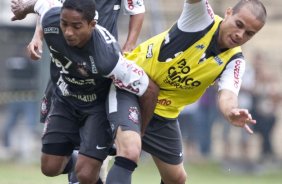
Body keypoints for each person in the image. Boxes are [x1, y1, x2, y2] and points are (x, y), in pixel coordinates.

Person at [10, 1, 158, 184]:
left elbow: (149, 89)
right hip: (65, 99)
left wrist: (140, 132)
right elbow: (40, 4)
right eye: (64, 24)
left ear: (92, 25)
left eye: (76, 26)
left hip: (96, 106)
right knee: (49, 167)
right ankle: (81, 159)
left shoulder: (109, 58)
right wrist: (22, 10)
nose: (68, 32)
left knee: (86, 176)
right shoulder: (51, 20)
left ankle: (89, 163)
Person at [125, 0, 267, 183]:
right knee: (127, 152)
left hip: (163, 112)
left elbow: (228, 94)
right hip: (131, 89)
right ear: (229, 13)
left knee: (177, 178)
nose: (240, 35)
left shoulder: (235, 61)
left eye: (249, 33)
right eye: (239, 25)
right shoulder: (202, 18)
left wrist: (230, 111)